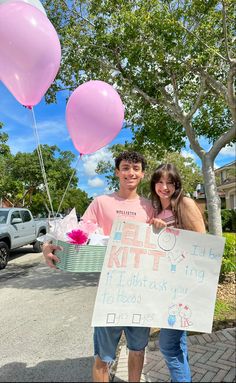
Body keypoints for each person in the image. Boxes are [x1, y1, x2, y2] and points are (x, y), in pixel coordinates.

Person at [42, 151, 154, 382]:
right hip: (109, 292)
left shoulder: (150, 207)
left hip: (142, 291)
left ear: (142, 174)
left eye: (135, 168)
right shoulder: (101, 203)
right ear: (117, 172)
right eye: (125, 167)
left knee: (138, 349)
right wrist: (48, 243)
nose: (130, 172)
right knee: (103, 357)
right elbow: (76, 233)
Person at [149, 163, 206, 383]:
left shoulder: (185, 203)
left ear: (176, 184)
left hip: (184, 286)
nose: (164, 187)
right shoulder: (156, 210)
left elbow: (201, 243)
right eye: (160, 182)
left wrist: (167, 232)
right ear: (154, 184)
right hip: (167, 285)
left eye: (169, 182)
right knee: (179, 344)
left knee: (168, 346)